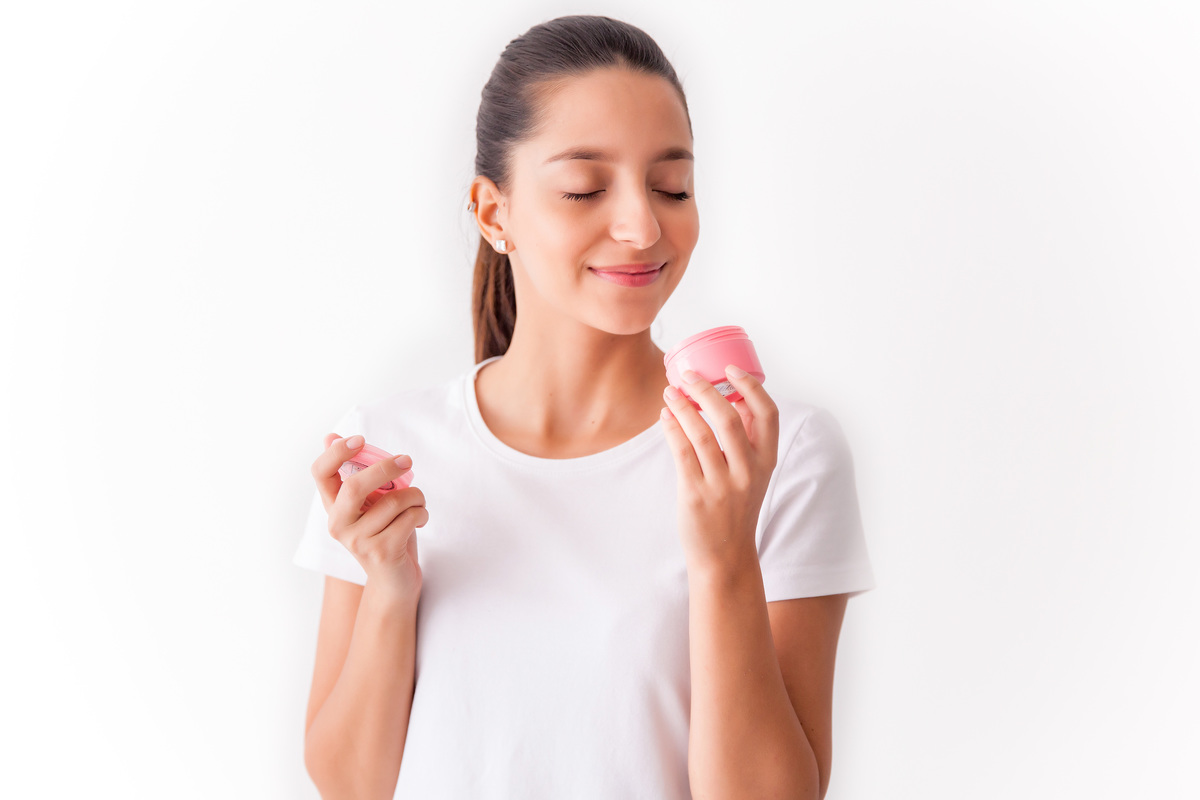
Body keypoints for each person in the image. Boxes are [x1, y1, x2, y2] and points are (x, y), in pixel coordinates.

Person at [294, 14, 876, 800]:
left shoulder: (769, 455)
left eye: (672, 187)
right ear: (493, 213)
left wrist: (724, 558)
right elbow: (351, 785)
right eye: (584, 189)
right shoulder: (388, 450)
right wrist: (390, 588)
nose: (642, 226)